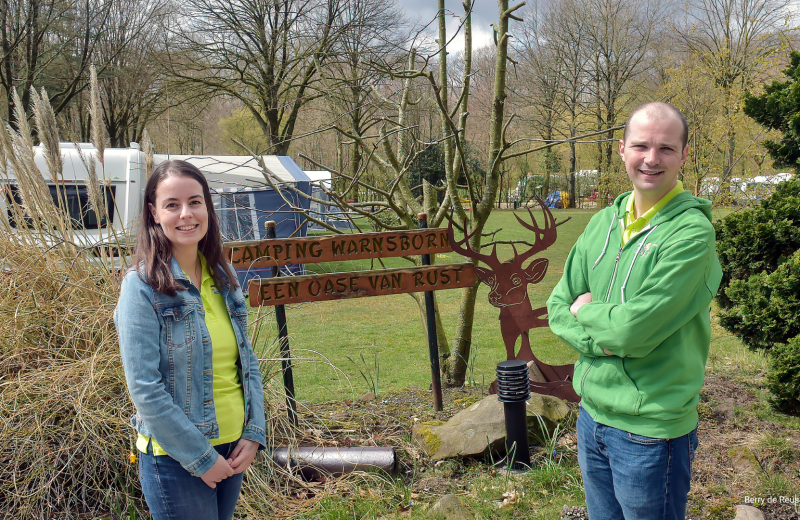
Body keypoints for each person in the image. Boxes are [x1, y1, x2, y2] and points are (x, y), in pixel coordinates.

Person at [546, 102, 722, 519]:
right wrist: (605, 341)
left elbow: (631, 331)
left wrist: (586, 312)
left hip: (650, 432)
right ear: (622, 149)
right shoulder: (602, 222)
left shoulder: (691, 235)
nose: (651, 158)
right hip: (591, 416)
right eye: (641, 145)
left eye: (666, 148)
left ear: (684, 154)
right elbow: (557, 307)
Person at [115, 160, 266, 520]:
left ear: (207, 207)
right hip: (176, 458)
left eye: (195, 202)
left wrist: (254, 433)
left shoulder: (223, 277)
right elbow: (144, 388)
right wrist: (201, 458)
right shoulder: (141, 287)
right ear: (154, 213)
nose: (186, 214)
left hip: (233, 448)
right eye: (172, 205)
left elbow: (247, 361)